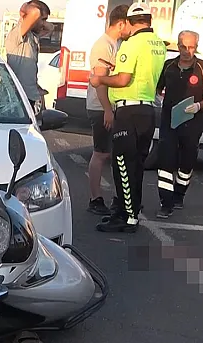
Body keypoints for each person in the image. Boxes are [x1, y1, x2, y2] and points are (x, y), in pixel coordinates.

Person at [89, 2, 166, 233]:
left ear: (131, 23)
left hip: (129, 110)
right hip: (147, 110)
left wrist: (100, 80)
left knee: (122, 163)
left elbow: (122, 79)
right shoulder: (159, 44)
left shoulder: (133, 44)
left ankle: (126, 216)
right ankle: (128, 212)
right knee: (137, 165)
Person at [154, 31, 203, 219]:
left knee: (187, 163)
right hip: (169, 122)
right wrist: (159, 99)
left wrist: (199, 105)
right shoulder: (168, 66)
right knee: (165, 161)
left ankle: (179, 194)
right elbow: (158, 88)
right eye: (183, 47)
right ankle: (166, 203)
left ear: (196, 47)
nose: (187, 51)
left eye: (191, 47)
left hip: (192, 123)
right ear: (178, 46)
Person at [85, 4, 131, 216]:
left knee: (112, 153)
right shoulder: (103, 46)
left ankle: (114, 198)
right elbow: (100, 81)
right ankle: (95, 198)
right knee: (101, 153)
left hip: (111, 107)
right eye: (128, 24)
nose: (129, 29)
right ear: (120, 23)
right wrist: (107, 110)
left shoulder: (118, 43)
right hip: (100, 106)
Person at [5, 0, 54, 114]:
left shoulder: (32, 36)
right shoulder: (18, 33)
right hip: (19, 98)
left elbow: (50, 28)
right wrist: (25, 9)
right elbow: (35, 12)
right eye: (43, 20)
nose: (44, 24)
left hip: (29, 97)